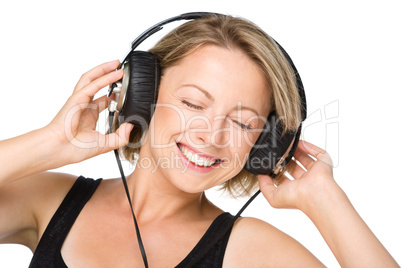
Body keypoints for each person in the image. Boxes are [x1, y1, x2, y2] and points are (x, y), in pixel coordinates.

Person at [0, 14, 398, 267]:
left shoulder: (251, 250)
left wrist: (326, 200)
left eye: (243, 124)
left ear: (265, 146)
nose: (211, 135)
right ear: (142, 94)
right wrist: (49, 142)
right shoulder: (49, 202)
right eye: (192, 103)